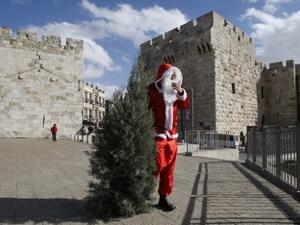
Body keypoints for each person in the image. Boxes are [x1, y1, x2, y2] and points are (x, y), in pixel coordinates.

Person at [148, 63, 189, 211]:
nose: (173, 78)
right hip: (157, 134)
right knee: (155, 165)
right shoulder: (152, 90)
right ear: (163, 75)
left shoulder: (174, 93)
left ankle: (163, 197)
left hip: (172, 135)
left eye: (174, 75)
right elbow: (143, 108)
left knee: (169, 169)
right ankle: (141, 191)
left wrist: (180, 91)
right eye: (170, 75)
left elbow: (185, 105)